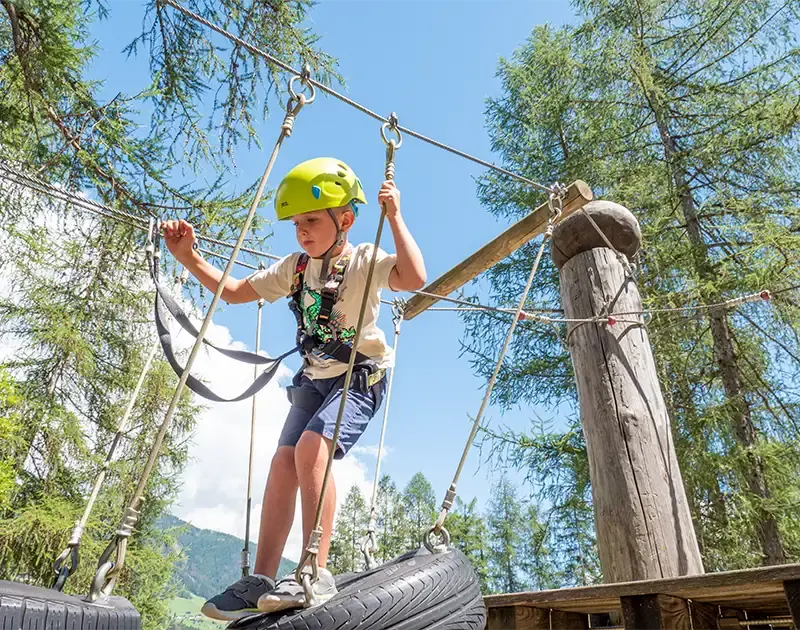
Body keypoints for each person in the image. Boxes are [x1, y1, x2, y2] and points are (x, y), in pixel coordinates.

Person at [162, 157, 426, 619]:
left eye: (312, 220)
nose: (302, 231)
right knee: (283, 461)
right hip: (314, 378)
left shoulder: (363, 259)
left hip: (359, 376)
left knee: (311, 450)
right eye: (296, 223)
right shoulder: (296, 268)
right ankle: (261, 579)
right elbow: (237, 291)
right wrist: (190, 258)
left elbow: (414, 278)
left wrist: (396, 217)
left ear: (344, 219)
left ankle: (313, 569)